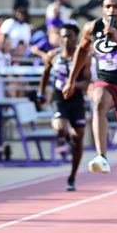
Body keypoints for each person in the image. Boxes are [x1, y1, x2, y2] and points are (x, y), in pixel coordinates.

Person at [62, 0, 117, 185]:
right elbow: (81, 53)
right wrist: (71, 81)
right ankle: (102, 156)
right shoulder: (91, 28)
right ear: (102, 9)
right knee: (98, 102)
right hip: (105, 82)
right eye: (107, 6)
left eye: (116, 6)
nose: (111, 10)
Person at [38, 23, 91, 191]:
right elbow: (45, 75)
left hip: (76, 100)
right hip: (59, 98)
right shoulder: (53, 55)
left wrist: (74, 85)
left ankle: (72, 176)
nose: (66, 39)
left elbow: (87, 81)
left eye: (70, 35)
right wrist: (41, 93)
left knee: (79, 136)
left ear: (76, 38)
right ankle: (67, 139)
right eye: (63, 35)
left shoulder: (83, 57)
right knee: (60, 129)